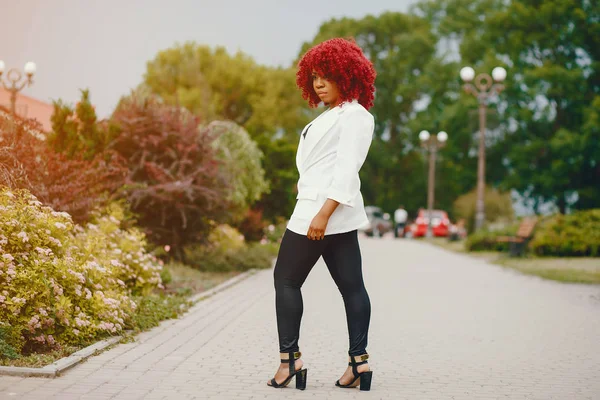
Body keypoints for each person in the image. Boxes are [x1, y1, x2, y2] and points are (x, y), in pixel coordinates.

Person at [267, 38, 376, 391]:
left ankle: (290, 361)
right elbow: (324, 164)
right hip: (324, 210)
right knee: (351, 287)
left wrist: (323, 214)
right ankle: (359, 365)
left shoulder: (357, 116)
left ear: (347, 75)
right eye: (314, 76)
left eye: (326, 75)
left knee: (286, 279)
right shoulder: (335, 115)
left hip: (321, 215)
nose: (318, 83)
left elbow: (347, 170)